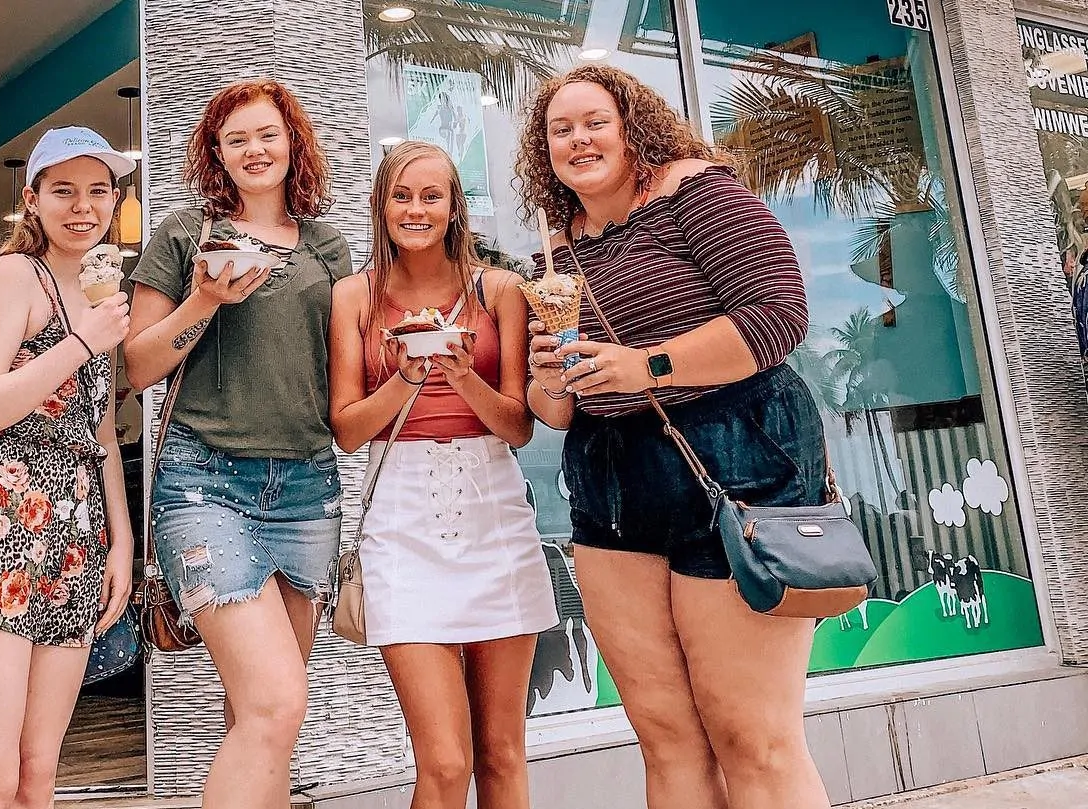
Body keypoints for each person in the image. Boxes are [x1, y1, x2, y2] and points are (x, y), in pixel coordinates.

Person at [515, 65, 830, 809]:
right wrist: (551, 375)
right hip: (612, 486)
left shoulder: (696, 192)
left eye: (594, 121)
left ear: (632, 128)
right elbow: (554, 413)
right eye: (560, 130)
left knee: (753, 736)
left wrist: (644, 365)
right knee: (666, 737)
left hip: (738, 456)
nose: (578, 138)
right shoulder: (555, 257)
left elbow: (778, 314)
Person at [122, 79, 351, 809]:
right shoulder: (188, 233)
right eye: (237, 139)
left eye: (267, 135)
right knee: (277, 702)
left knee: (261, 716)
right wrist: (206, 298)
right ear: (216, 154)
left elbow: (346, 367)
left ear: (294, 145)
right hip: (205, 483)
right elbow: (138, 365)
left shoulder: (326, 245)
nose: (255, 150)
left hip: (308, 486)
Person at [0, 126, 136, 809]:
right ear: (32, 200)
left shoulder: (94, 296)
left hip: (70, 539)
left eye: (98, 190)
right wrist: (79, 344)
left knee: (38, 775)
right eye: (62, 190)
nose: (82, 206)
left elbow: (97, 431)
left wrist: (119, 539)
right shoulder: (14, 276)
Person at [328, 140, 557, 809]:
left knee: (503, 753)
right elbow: (346, 428)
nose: (416, 208)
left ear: (455, 205)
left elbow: (517, 424)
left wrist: (463, 378)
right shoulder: (354, 296)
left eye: (432, 195)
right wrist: (405, 378)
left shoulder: (500, 290)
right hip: (402, 516)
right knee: (446, 761)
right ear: (381, 205)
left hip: (493, 509)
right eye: (402, 195)